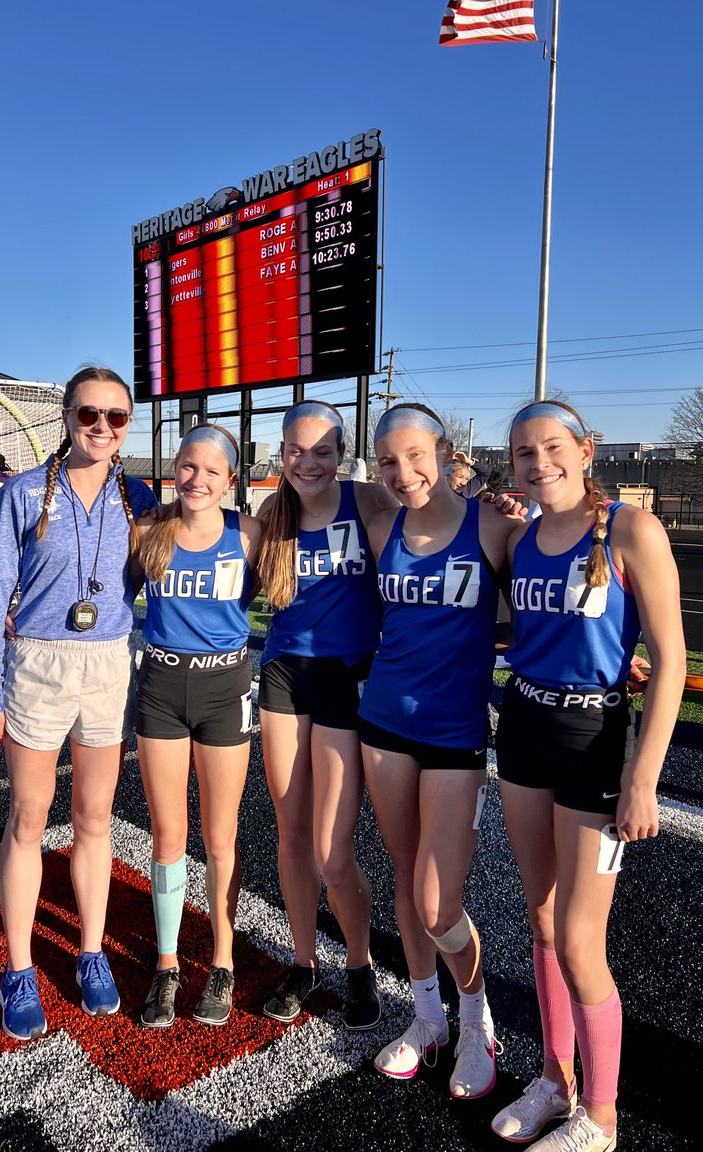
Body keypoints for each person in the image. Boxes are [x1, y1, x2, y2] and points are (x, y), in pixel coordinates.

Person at [490, 400, 685, 1150]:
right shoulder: (522, 536)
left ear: (586, 449)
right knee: (538, 919)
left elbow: (668, 663)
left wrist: (644, 778)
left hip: (594, 740)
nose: (539, 463)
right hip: (525, 729)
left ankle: (601, 1120)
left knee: (578, 940)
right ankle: (555, 1079)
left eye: (551, 448)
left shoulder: (632, 529)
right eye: (524, 453)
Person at [0, 366, 157, 1041]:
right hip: (40, 666)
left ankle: (90, 952)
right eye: (90, 414)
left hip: (108, 665)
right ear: (67, 416)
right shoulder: (24, 493)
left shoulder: (138, 495)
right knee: (28, 817)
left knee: (95, 818)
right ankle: (18, 966)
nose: (103, 427)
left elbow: (159, 570)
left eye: (116, 417)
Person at [357, 403, 520, 1099]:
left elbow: (561, 590)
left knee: (437, 900)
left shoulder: (495, 526)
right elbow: (303, 488)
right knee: (404, 877)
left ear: (447, 452)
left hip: (455, 734)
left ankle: (477, 1016)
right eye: (387, 461)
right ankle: (429, 1019)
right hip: (383, 724)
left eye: (415, 456)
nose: (402, 472)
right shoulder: (377, 517)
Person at [256, 400, 399, 1029]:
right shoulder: (273, 512)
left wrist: (497, 510)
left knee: (333, 851)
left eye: (322, 451)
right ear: (281, 452)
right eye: (296, 450)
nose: (308, 463)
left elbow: (439, 536)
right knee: (290, 835)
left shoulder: (367, 503)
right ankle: (305, 962)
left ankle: (360, 965)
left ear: (341, 454)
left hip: (347, 678)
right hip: (285, 675)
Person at [135, 424, 261, 1029]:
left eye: (212, 470)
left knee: (220, 837)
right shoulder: (149, 531)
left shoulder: (251, 534)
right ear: (174, 470)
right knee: (167, 834)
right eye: (188, 466)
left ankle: (222, 961)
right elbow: (107, 599)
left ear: (230, 481)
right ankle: (166, 965)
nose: (198, 479)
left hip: (225, 689)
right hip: (161, 689)